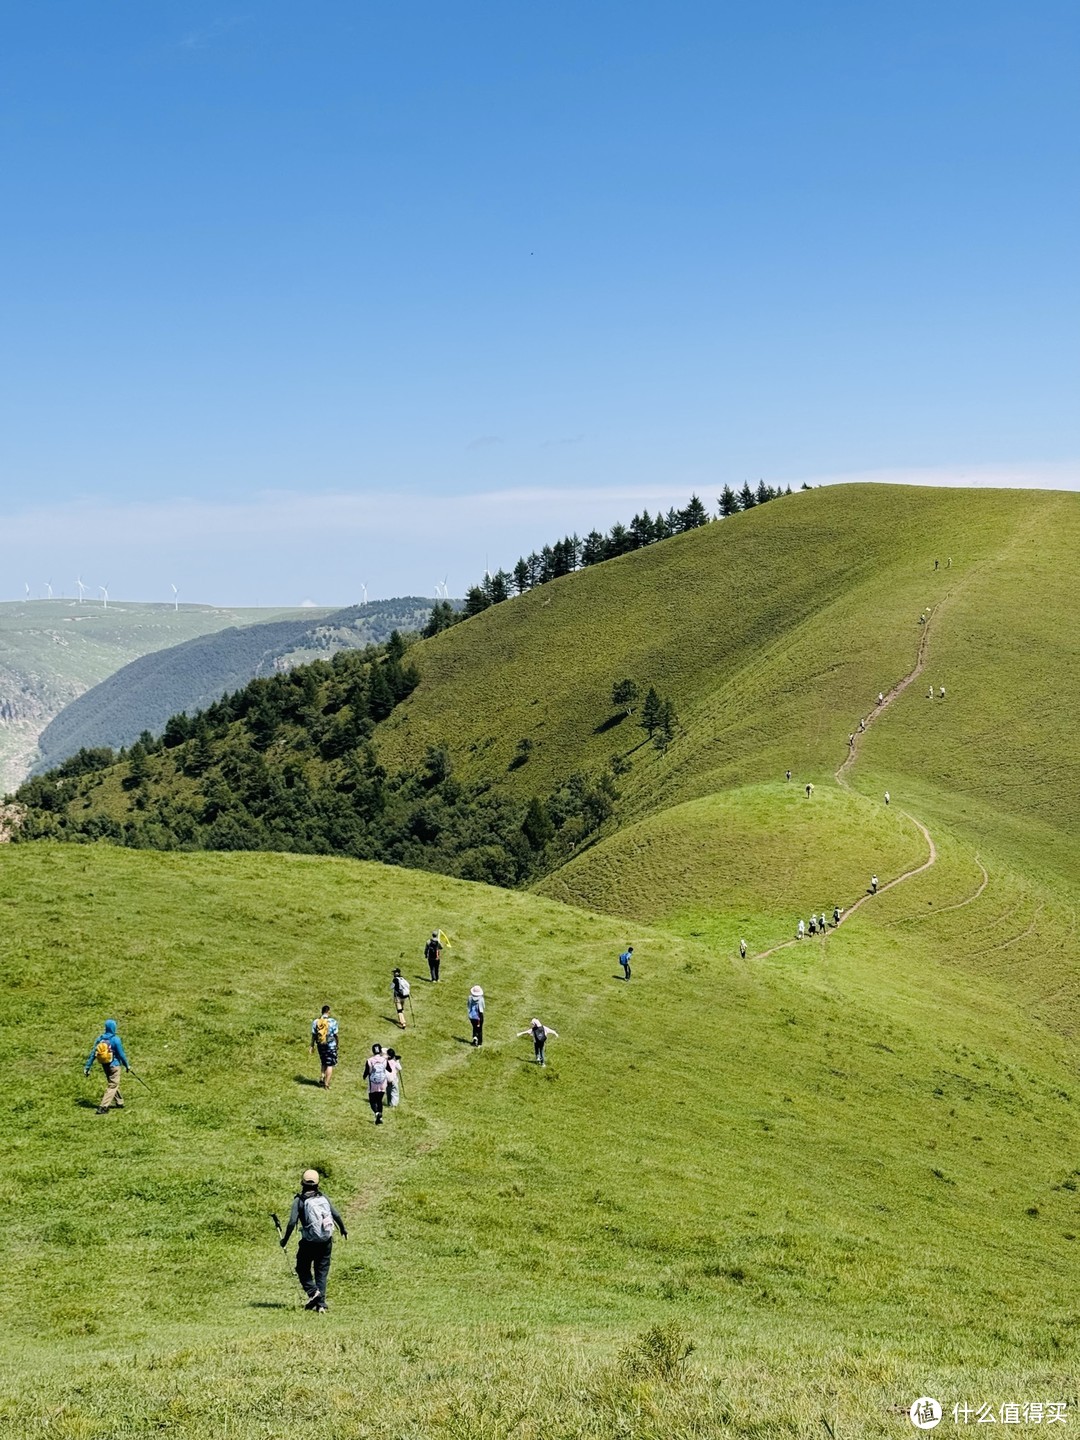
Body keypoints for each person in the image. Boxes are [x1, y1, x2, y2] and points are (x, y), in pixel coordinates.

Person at [279, 1169, 347, 1313]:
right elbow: (335, 1214)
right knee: (321, 1271)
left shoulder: (299, 1200)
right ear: (317, 1183)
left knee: (302, 1268)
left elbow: (292, 1222)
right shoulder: (323, 1197)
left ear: (302, 1183)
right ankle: (321, 1305)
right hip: (326, 1241)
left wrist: (285, 1239)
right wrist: (342, 1229)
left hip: (309, 1242)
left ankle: (313, 1292)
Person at [83, 1018, 131, 1114]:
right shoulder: (115, 1040)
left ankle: (119, 1102)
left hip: (105, 1065)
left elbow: (93, 1053)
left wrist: (87, 1067)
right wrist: (127, 1065)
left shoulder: (100, 1039)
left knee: (112, 1083)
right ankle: (103, 1106)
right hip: (115, 1065)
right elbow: (121, 1054)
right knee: (113, 1085)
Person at [310, 1005, 338, 1089]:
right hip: (331, 1045)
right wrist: (337, 1044)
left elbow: (314, 1035)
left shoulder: (316, 1021)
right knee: (329, 1064)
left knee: (323, 1061)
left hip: (320, 1044)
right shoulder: (333, 1021)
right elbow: (336, 1035)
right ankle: (326, 1084)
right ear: (328, 1011)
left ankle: (322, 1077)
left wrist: (312, 1045)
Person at [364, 1044, 389, 1123]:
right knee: (379, 1101)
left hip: (373, 1083)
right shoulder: (384, 1060)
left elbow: (366, 1072)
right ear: (380, 1051)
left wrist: (364, 1076)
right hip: (382, 1083)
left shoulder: (369, 1060)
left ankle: (377, 1113)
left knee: (372, 1101)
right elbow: (389, 1069)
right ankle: (380, 1118)